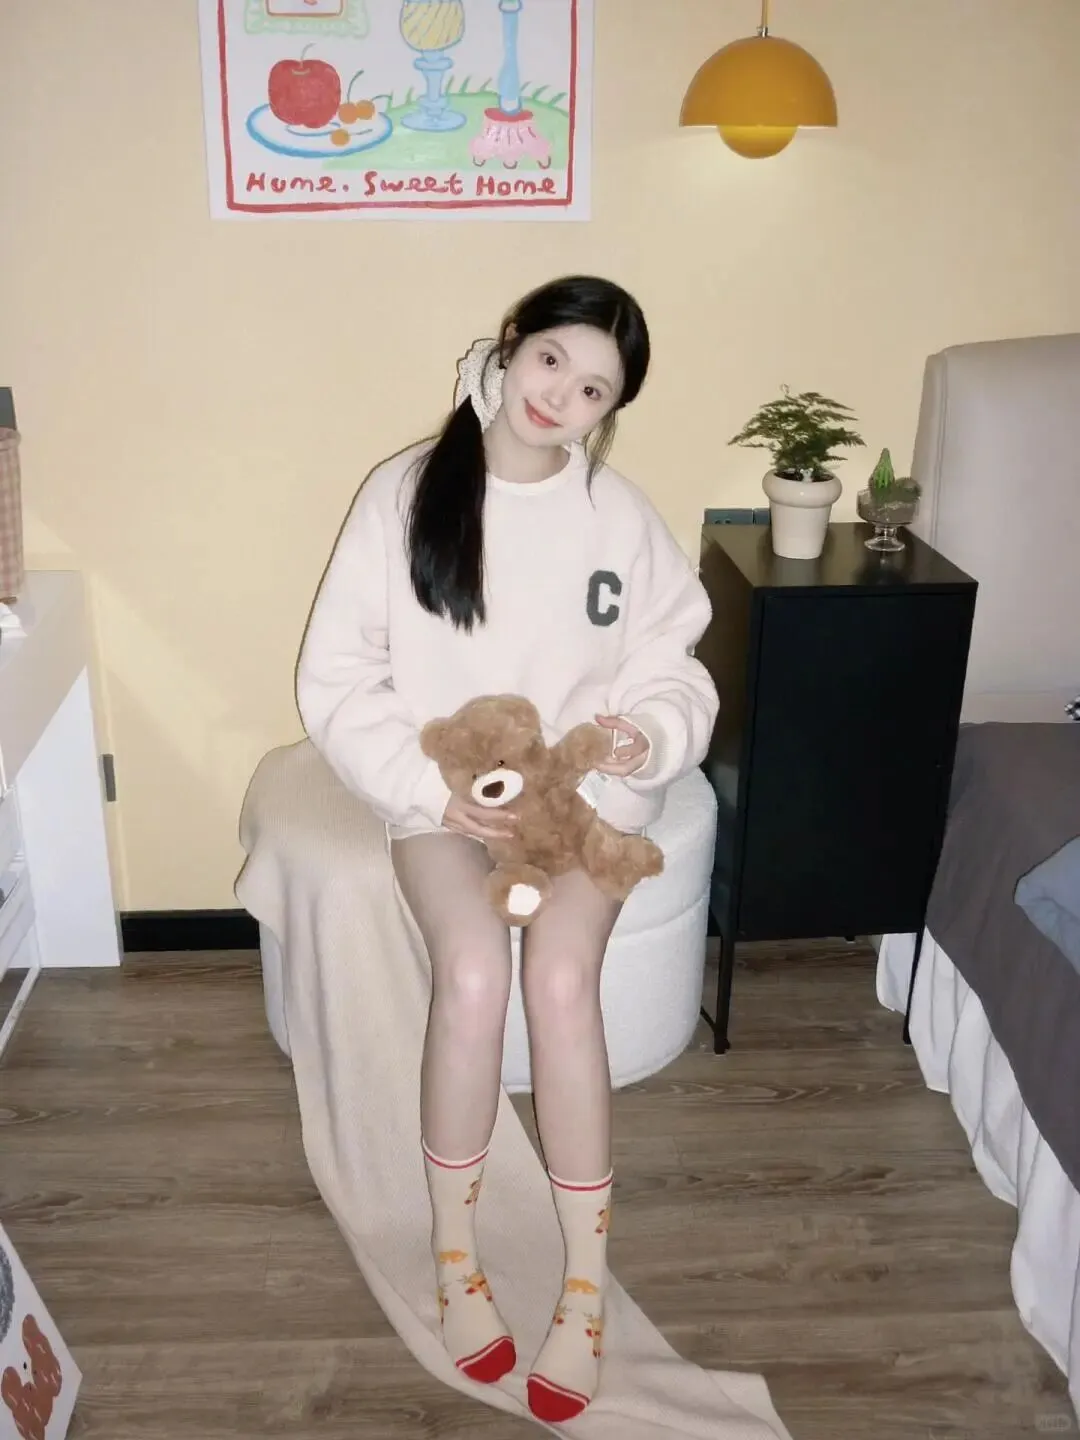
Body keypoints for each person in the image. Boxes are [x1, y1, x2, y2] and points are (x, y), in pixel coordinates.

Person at [295, 275, 719, 1423]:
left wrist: (647, 735)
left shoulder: (619, 518)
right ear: (513, 344)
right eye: (554, 361)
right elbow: (337, 677)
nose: (561, 397)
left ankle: (583, 1289)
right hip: (447, 803)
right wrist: (424, 786)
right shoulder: (404, 493)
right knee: (475, 973)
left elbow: (675, 663)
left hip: (578, 805)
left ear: (607, 413)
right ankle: (455, 1259)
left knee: (563, 979)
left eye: (594, 391)